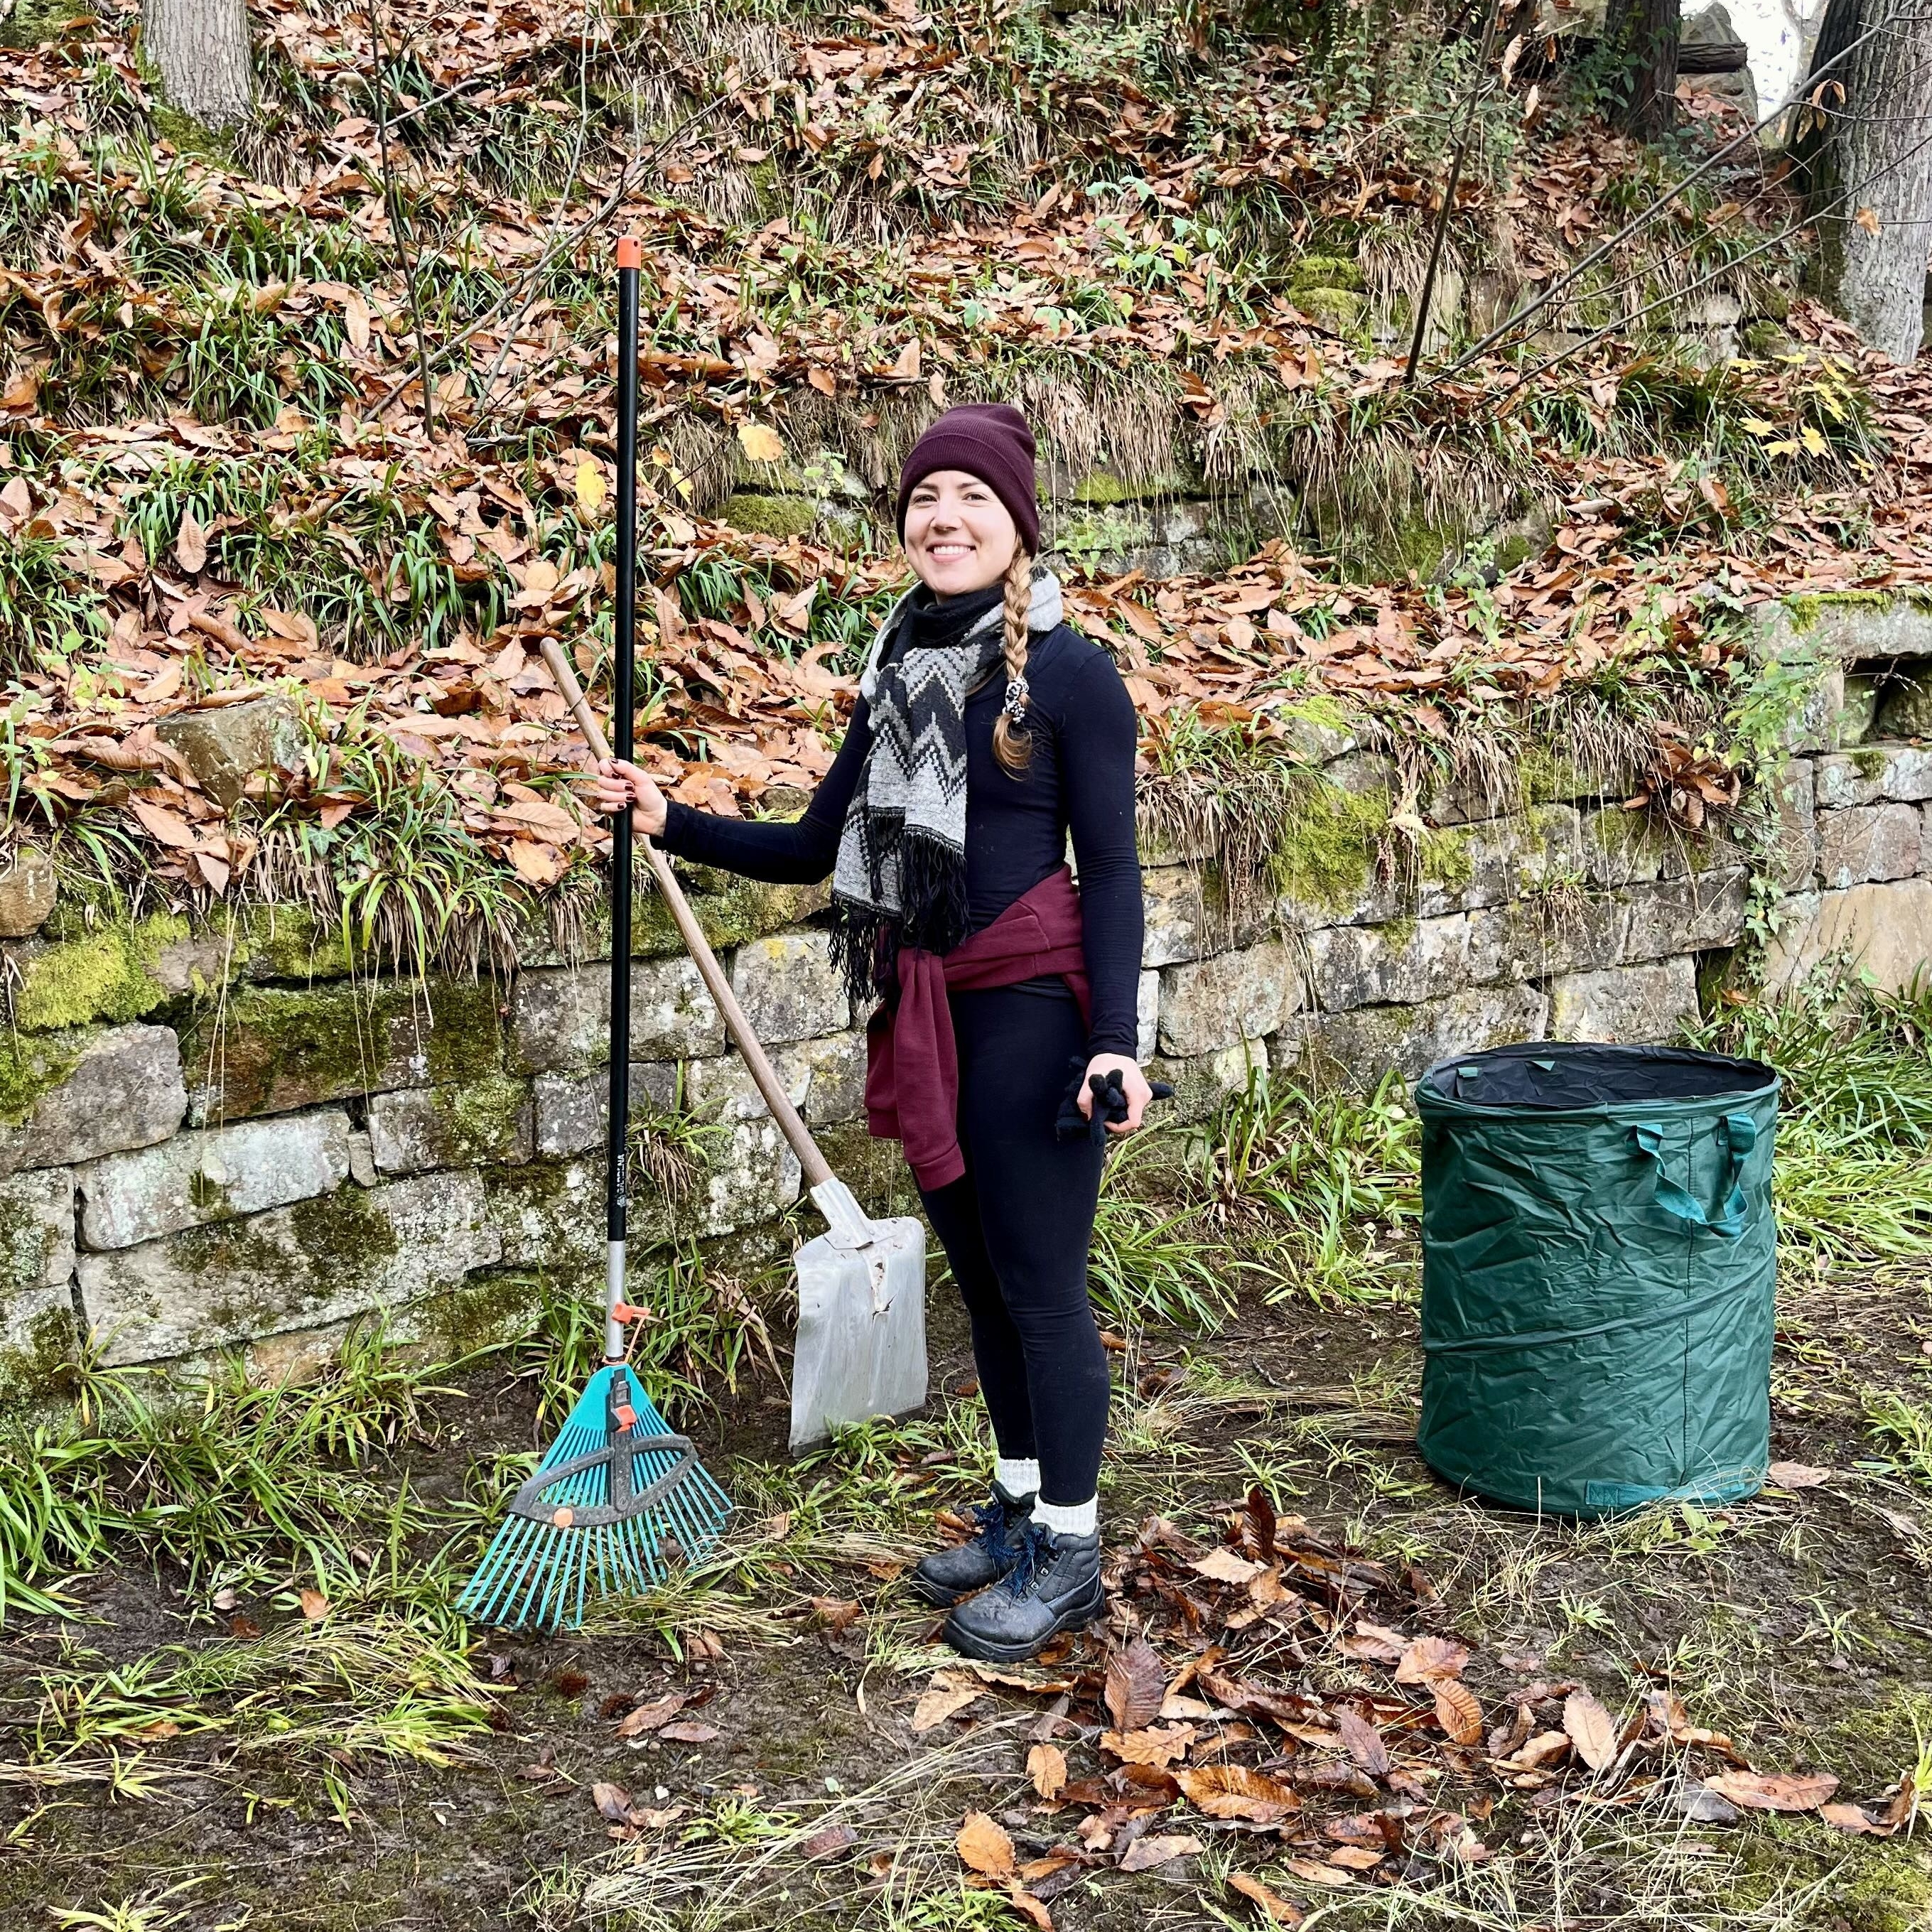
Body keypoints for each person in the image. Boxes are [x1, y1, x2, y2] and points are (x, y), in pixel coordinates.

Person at [590, 404, 1148, 1663]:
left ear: (1017, 525)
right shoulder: (899, 663)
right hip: (931, 1008)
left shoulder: (1065, 672)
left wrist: (1116, 1040)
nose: (942, 521)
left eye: (972, 501)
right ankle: (1020, 1507)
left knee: (1044, 1290)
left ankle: (1072, 1549)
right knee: (986, 1282)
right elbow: (810, 844)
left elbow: (1111, 871)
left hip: (1032, 1013)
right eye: (924, 499)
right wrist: (670, 817)